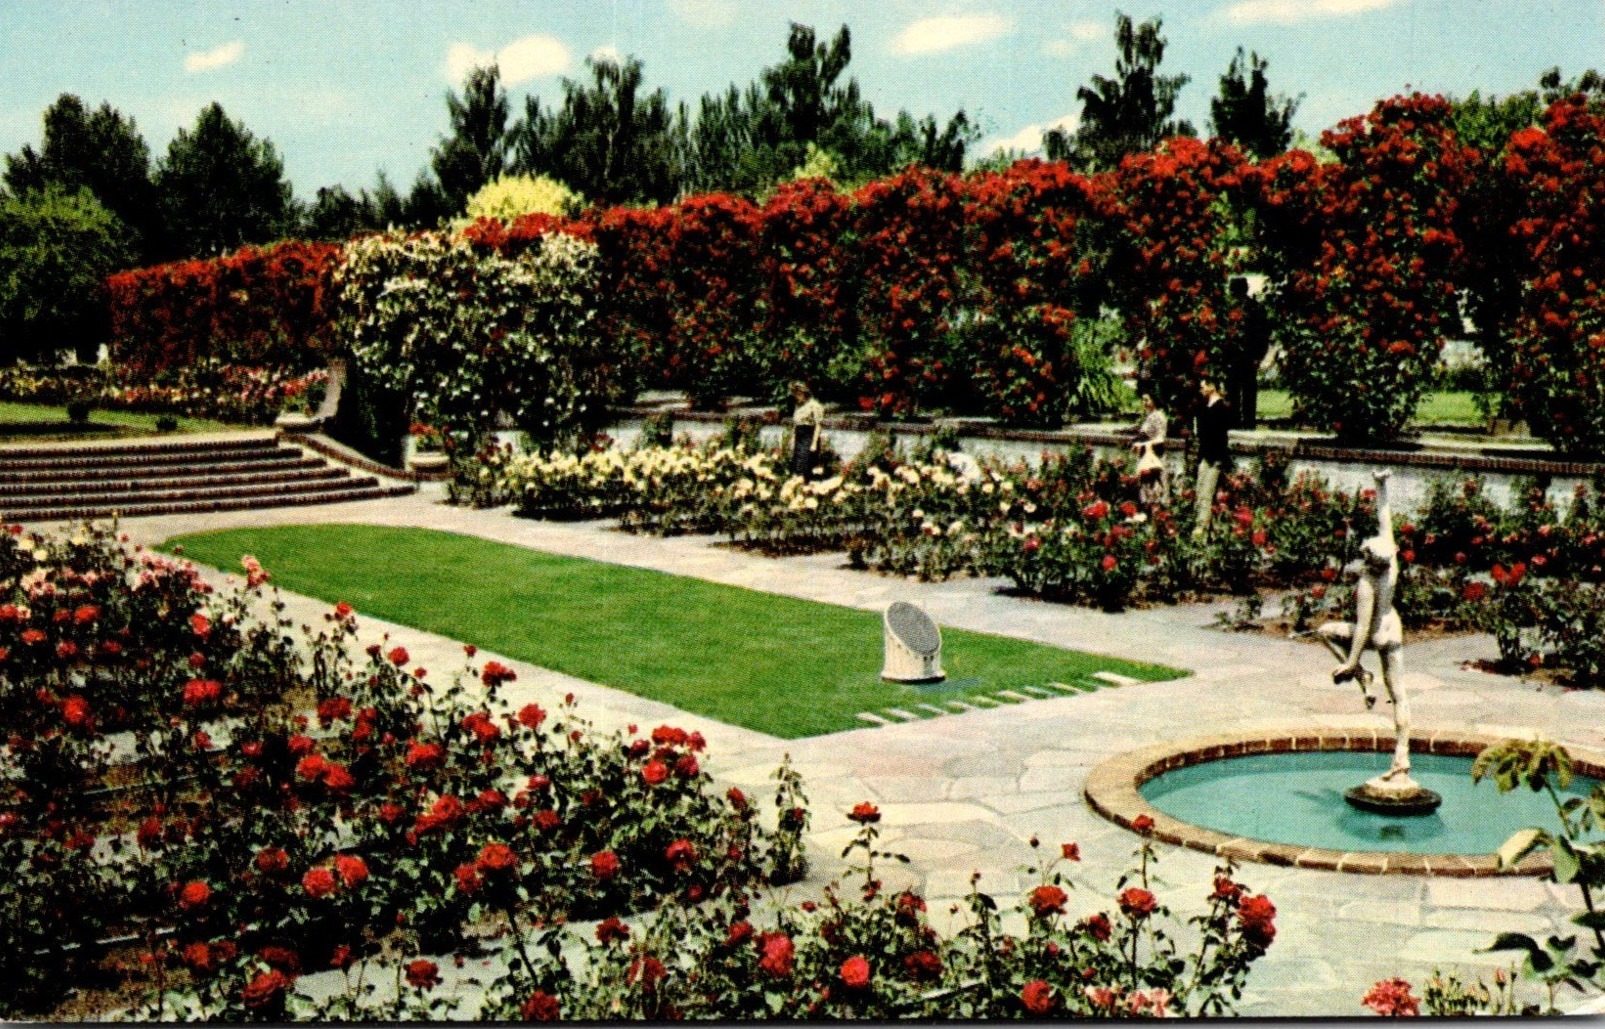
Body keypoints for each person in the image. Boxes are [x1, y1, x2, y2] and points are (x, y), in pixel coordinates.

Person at [1319, 470, 1412, 784]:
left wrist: (1351, 662)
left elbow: (1360, 629)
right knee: (1399, 696)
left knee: (1325, 632)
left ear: (1371, 560)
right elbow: (1385, 520)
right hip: (1393, 630)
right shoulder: (1392, 567)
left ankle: (1362, 676)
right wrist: (1381, 486)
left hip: (1373, 633)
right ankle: (1402, 759)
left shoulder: (1368, 584)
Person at [1191, 380, 1232, 536]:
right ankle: (1199, 522)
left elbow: (1221, 437)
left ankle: (1202, 527)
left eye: (1203, 387)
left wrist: (1217, 458)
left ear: (1211, 386)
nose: (1201, 390)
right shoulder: (1204, 407)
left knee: (1207, 492)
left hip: (1215, 457)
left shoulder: (1221, 408)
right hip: (1205, 455)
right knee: (1200, 489)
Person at [1131, 393, 1167, 506]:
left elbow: (1161, 438)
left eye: (1147, 400)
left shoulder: (1158, 416)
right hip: (1145, 455)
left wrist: (1143, 445)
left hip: (1155, 455)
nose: (1144, 403)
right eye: (1143, 400)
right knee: (1145, 487)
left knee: (1154, 487)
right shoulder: (1149, 415)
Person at [789, 381, 825, 479]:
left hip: (808, 436)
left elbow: (818, 425)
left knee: (804, 463)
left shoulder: (814, 405)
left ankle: (804, 483)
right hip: (799, 436)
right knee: (795, 464)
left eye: (798, 394)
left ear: (804, 393)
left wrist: (814, 443)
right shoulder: (798, 406)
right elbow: (795, 424)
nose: (796, 396)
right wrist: (792, 439)